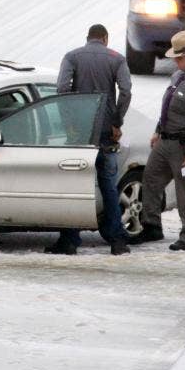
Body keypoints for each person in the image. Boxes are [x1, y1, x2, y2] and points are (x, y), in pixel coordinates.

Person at [45, 24, 133, 256]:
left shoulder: (72, 56)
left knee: (74, 184)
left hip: (79, 133)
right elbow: (125, 91)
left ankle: (70, 239)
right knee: (109, 186)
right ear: (105, 39)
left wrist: (70, 122)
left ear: (88, 38)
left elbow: (62, 88)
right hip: (105, 132)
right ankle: (117, 241)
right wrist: (117, 122)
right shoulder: (117, 59)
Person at [133, 30, 185, 251]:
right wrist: (158, 130)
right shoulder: (178, 76)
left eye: (179, 58)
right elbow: (168, 106)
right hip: (166, 141)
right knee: (150, 180)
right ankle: (151, 225)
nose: (175, 62)